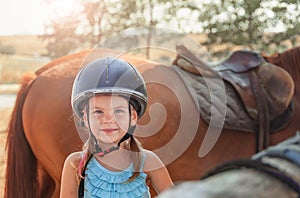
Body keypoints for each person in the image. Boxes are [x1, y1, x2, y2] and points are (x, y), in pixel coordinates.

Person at [60, 57, 174, 198]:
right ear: (85, 118)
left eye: (118, 111)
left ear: (133, 117)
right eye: (98, 112)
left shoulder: (149, 162)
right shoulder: (75, 164)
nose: (108, 120)